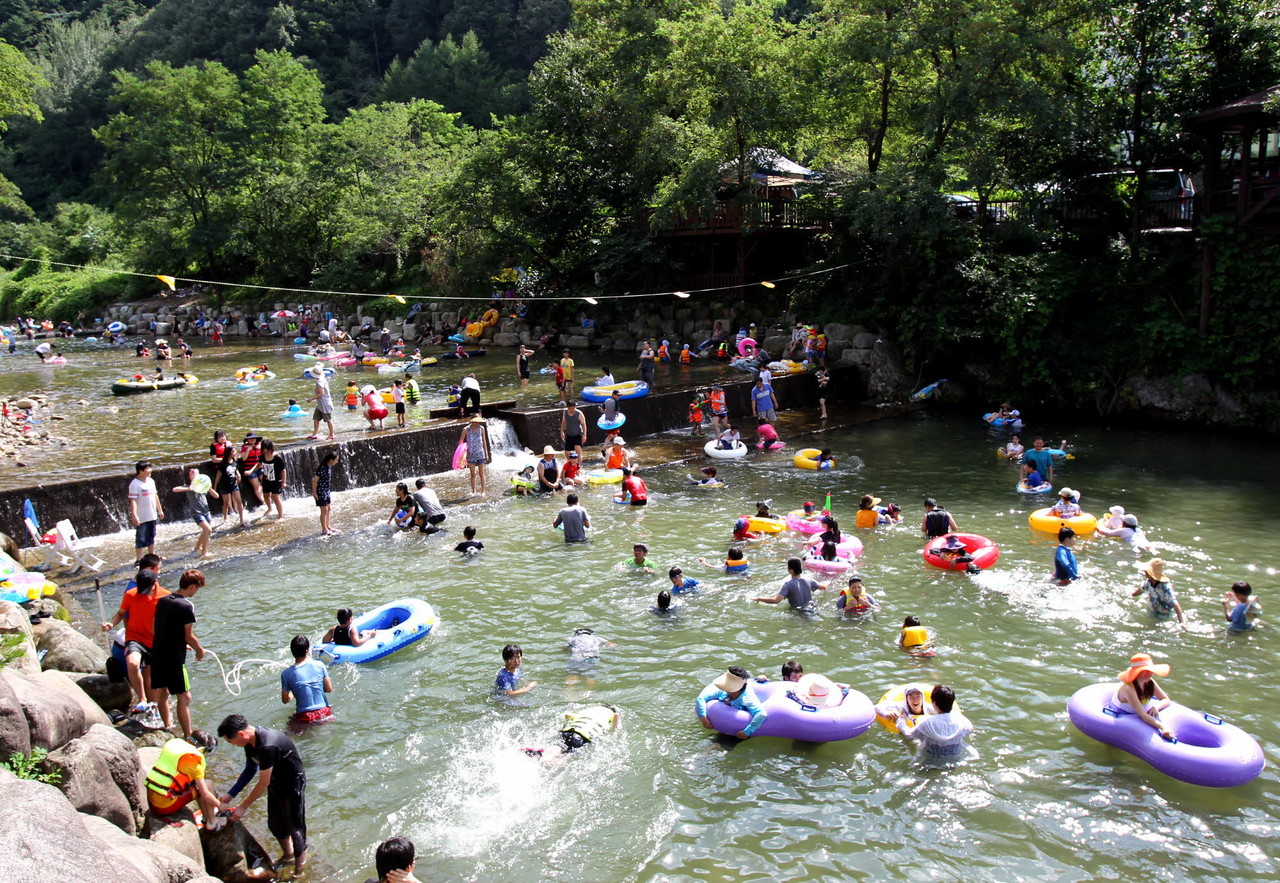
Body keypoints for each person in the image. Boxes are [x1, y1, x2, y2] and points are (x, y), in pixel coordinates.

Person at [217, 714, 308, 875]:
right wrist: (230, 795)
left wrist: (242, 807)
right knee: (275, 824)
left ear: (241, 734)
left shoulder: (267, 745)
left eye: (231, 742)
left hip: (292, 784)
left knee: (295, 829)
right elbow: (250, 770)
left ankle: (299, 872)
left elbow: (263, 782)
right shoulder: (250, 742)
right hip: (275, 782)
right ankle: (288, 856)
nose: (233, 745)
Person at [102, 565, 168, 726]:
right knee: (132, 663)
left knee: (154, 681)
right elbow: (120, 614)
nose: (141, 592)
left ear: (155, 584)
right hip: (135, 639)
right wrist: (111, 624)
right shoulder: (131, 594)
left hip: (155, 642)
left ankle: (156, 713)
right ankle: (142, 699)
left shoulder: (166, 597)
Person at [149, 569, 206, 736]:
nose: (196, 592)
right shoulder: (187, 606)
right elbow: (189, 636)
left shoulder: (163, 600)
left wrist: (179, 642)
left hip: (158, 653)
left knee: (163, 692)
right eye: (197, 588)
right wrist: (199, 650)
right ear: (193, 586)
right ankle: (188, 735)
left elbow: (156, 628)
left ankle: (167, 726)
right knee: (184, 696)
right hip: (174, 658)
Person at [145, 730, 222, 823]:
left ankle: (206, 818)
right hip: (164, 807)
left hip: (152, 804)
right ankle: (212, 822)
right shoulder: (195, 764)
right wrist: (219, 805)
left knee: (197, 785)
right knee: (208, 784)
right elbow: (205, 794)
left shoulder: (175, 749)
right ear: (202, 749)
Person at [897, 685, 974, 767]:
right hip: (954, 758)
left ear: (934, 703)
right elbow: (970, 729)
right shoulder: (960, 720)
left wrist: (901, 722)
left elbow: (909, 735)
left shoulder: (927, 723)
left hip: (929, 760)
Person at [1109, 653, 1174, 740]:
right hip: (1121, 714)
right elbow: (1143, 715)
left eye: (1150, 670)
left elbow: (1165, 699)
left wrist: (1155, 707)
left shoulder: (1149, 682)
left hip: (1138, 712)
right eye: (1145, 670)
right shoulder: (1129, 688)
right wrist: (1163, 727)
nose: (1149, 673)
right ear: (1136, 672)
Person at [695, 667, 766, 739]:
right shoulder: (724, 692)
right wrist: (703, 718)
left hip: (741, 727)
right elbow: (701, 698)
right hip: (726, 721)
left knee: (721, 743)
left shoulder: (747, 699)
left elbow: (761, 714)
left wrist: (747, 732)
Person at [280, 635, 333, 730]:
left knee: (289, 736)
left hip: (303, 717)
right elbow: (329, 689)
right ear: (307, 650)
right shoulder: (320, 665)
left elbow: (285, 700)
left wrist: (293, 693)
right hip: (324, 712)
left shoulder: (286, 674)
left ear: (292, 652)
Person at [172, 467, 218, 558]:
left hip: (206, 511)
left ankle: (197, 547)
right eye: (193, 474)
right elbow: (175, 489)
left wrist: (210, 489)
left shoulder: (203, 486)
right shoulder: (189, 486)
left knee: (206, 531)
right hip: (196, 512)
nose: (195, 475)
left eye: (197, 474)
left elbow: (216, 496)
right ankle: (205, 552)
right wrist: (189, 489)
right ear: (189, 477)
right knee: (208, 530)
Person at [754, 557, 825, 611]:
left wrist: (759, 598)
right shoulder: (809, 580)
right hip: (812, 609)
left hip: (799, 613)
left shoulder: (788, 585)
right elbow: (823, 587)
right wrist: (828, 582)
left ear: (791, 570)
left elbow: (776, 600)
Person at [128, 460, 164, 562]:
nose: (150, 470)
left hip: (152, 514)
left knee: (151, 535)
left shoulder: (151, 481)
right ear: (140, 471)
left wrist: (160, 510)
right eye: (147, 468)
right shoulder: (134, 484)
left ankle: (152, 556)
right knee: (141, 538)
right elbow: (133, 500)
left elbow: (155, 496)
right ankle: (138, 560)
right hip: (142, 516)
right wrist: (135, 515)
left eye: (150, 468)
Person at [1131, 558, 1183, 623]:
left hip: (1163, 614)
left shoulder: (1165, 587)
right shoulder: (1149, 582)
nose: (1145, 573)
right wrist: (1131, 595)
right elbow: (1141, 589)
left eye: (1147, 571)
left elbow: (1175, 603)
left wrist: (1181, 621)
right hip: (1152, 610)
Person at [458, 415, 490, 496]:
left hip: (480, 453)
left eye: (478, 421)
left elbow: (484, 441)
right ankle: (474, 491)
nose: (477, 423)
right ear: (472, 421)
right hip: (470, 454)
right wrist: (460, 456)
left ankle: (483, 491)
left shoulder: (481, 428)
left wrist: (486, 454)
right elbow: (460, 442)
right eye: (475, 421)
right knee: (472, 474)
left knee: (481, 473)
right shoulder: (466, 429)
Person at [311, 450, 340, 536]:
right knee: (324, 510)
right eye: (336, 460)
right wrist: (314, 493)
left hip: (326, 491)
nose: (337, 461)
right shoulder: (322, 468)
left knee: (328, 509)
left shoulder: (329, 466)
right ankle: (324, 529)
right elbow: (314, 481)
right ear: (331, 460)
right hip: (320, 491)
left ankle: (328, 526)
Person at [307, 366, 336, 440]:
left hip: (324, 404)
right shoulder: (323, 379)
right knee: (316, 418)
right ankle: (315, 434)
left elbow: (321, 394)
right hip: (320, 404)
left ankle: (332, 434)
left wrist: (311, 399)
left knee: (328, 420)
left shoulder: (319, 382)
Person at [238, 432, 265, 508]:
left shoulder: (259, 446)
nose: (252, 440)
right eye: (250, 439)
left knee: (266, 483)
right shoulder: (245, 447)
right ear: (247, 440)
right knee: (257, 486)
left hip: (260, 468)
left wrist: (260, 449)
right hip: (250, 470)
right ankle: (264, 502)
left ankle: (268, 499)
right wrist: (248, 450)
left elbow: (265, 455)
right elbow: (243, 458)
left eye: (253, 438)